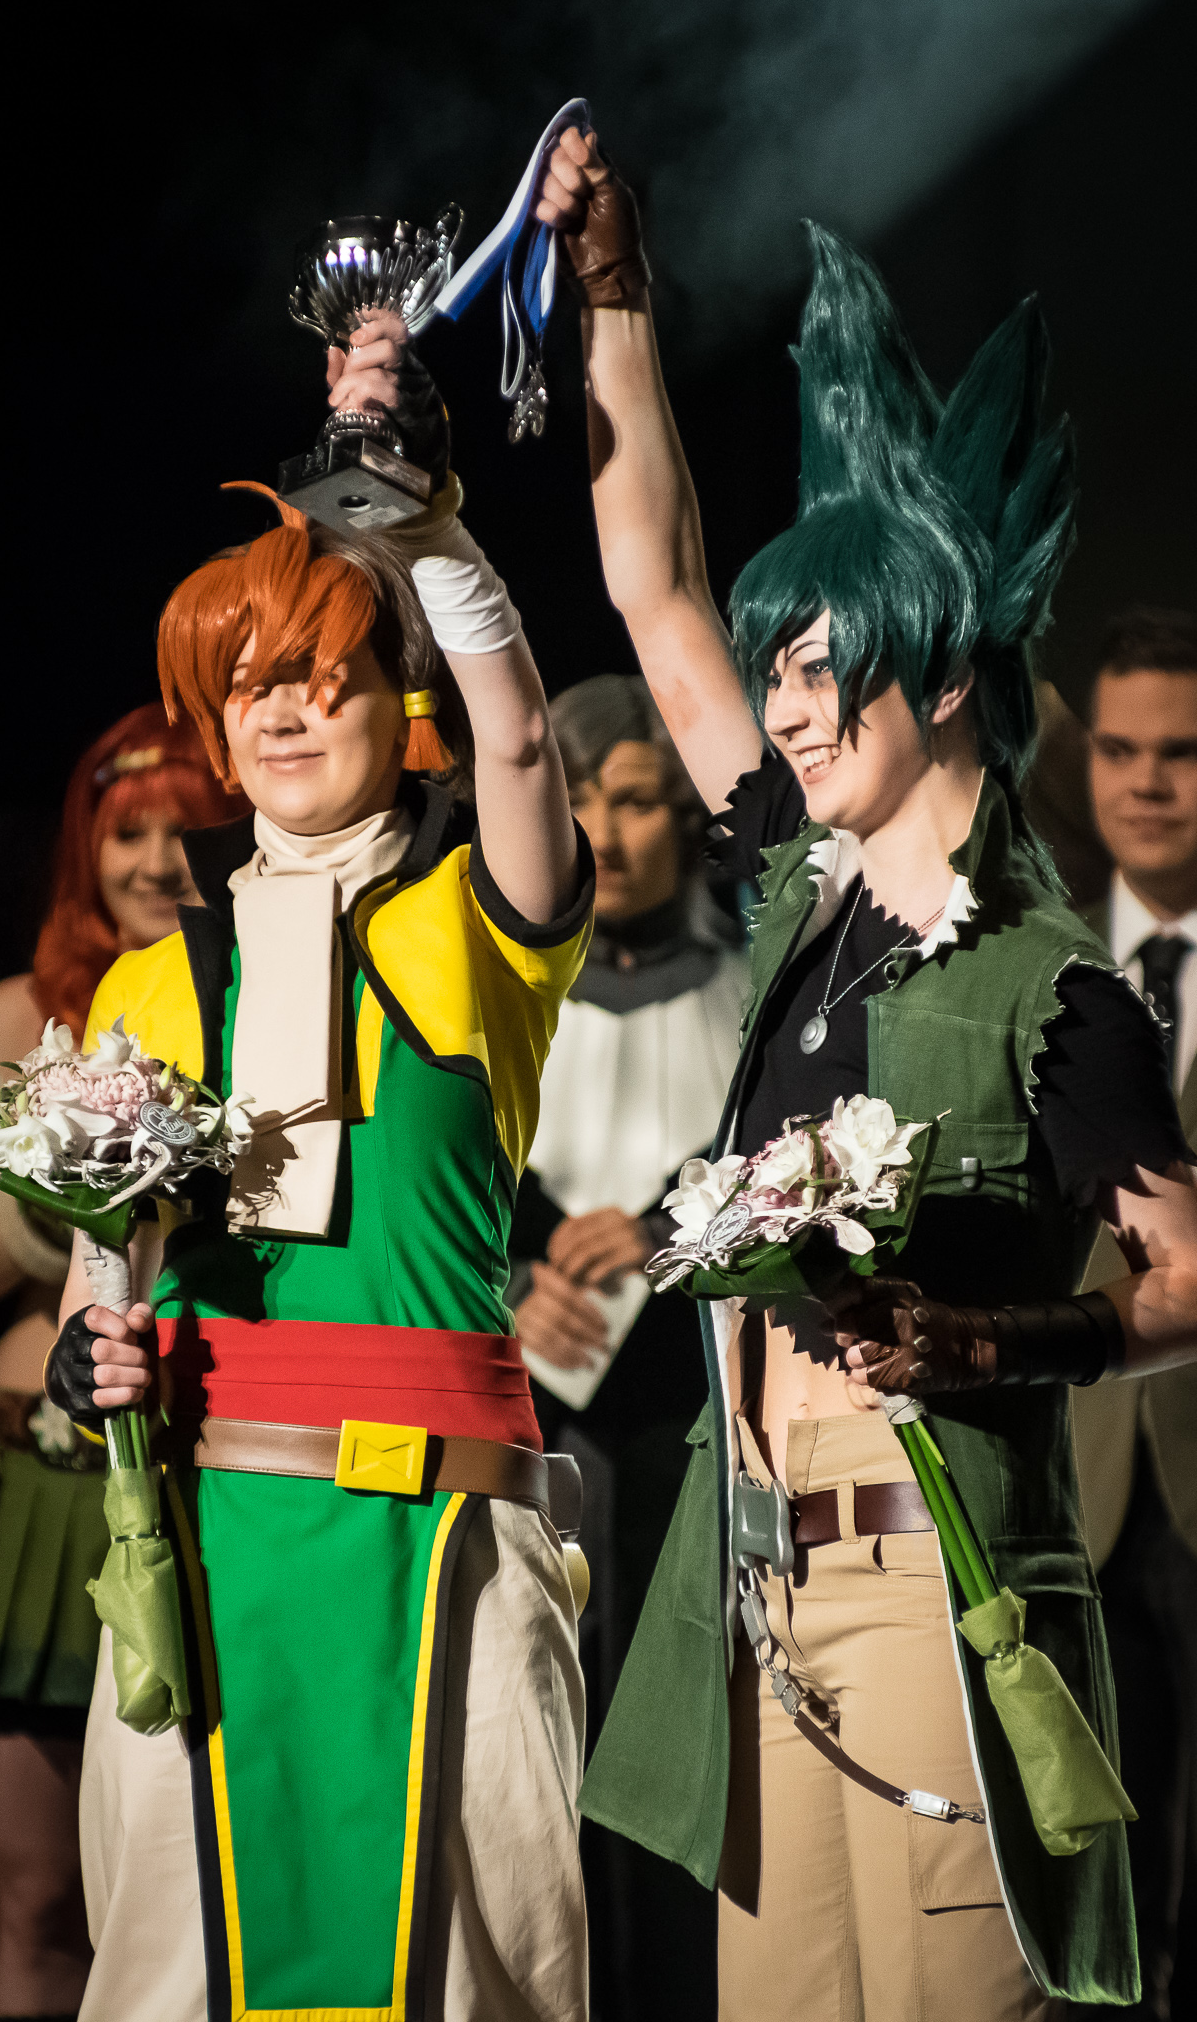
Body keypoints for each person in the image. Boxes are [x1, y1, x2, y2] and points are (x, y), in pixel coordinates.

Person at [535, 128, 1197, 2018]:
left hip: (946, 1580)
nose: (775, 707)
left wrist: (992, 1343)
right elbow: (649, 584)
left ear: (937, 680)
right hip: (761, 1585)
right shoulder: (794, 895)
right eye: (770, 673)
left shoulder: (1049, 988)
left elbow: (1193, 1288)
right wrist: (613, 296)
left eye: (816, 667)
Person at [42, 333, 595, 2022]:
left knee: (471, 1973)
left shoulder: (479, 920)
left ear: (393, 702)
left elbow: (520, 747)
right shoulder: (144, 987)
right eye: (250, 683)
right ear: (216, 728)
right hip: (199, 1547)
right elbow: (98, 1280)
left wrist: (426, 532)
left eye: (322, 672)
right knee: (175, 1975)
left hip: (448, 1538)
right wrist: (85, 1353)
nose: (284, 707)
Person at [0, 702, 236, 2022]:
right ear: (81, 850)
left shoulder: (260, 1005)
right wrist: (84, 1186)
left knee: (189, 1890)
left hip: (209, 1459)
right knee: (41, 1896)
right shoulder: (22, 1011)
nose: (155, 861)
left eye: (181, 829)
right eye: (126, 832)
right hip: (42, 1476)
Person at [511, 673, 744, 2021]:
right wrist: (510, 1285)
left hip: (686, 1406)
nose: (607, 831)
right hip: (529, 1404)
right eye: (583, 800)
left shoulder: (751, 991)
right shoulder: (503, 993)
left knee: (670, 1715)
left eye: (640, 799)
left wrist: (667, 1232)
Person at [1069, 607, 1197, 2022]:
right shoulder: (1033, 962)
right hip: (1073, 1507)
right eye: (1117, 749)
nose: (1144, 781)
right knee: (1101, 1942)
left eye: (1182, 752)